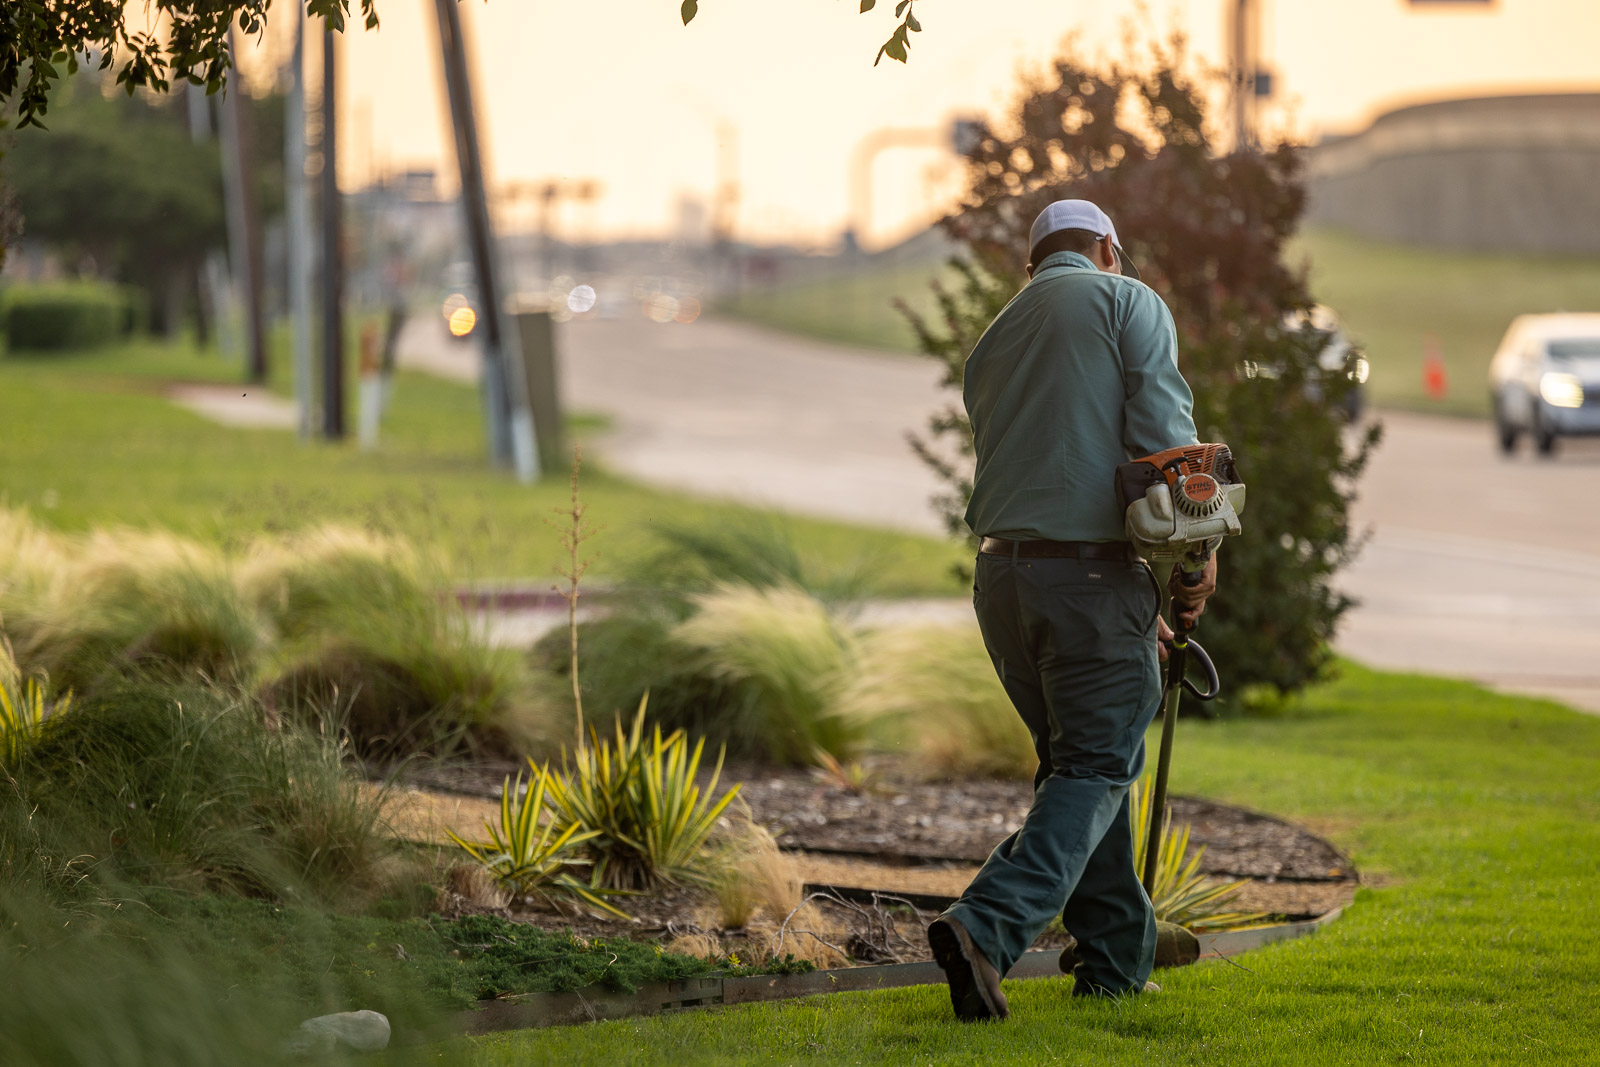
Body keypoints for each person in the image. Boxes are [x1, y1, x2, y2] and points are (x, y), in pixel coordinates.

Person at [926, 199, 1218, 1021]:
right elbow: (1170, 450)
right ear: (1106, 249)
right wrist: (1195, 562)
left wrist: (1135, 606)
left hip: (1004, 585)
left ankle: (1116, 959)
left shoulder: (993, 340)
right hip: (1089, 579)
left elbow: (1051, 461)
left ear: (1033, 265)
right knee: (1094, 768)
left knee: (1081, 772)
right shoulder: (1127, 301)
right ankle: (985, 927)